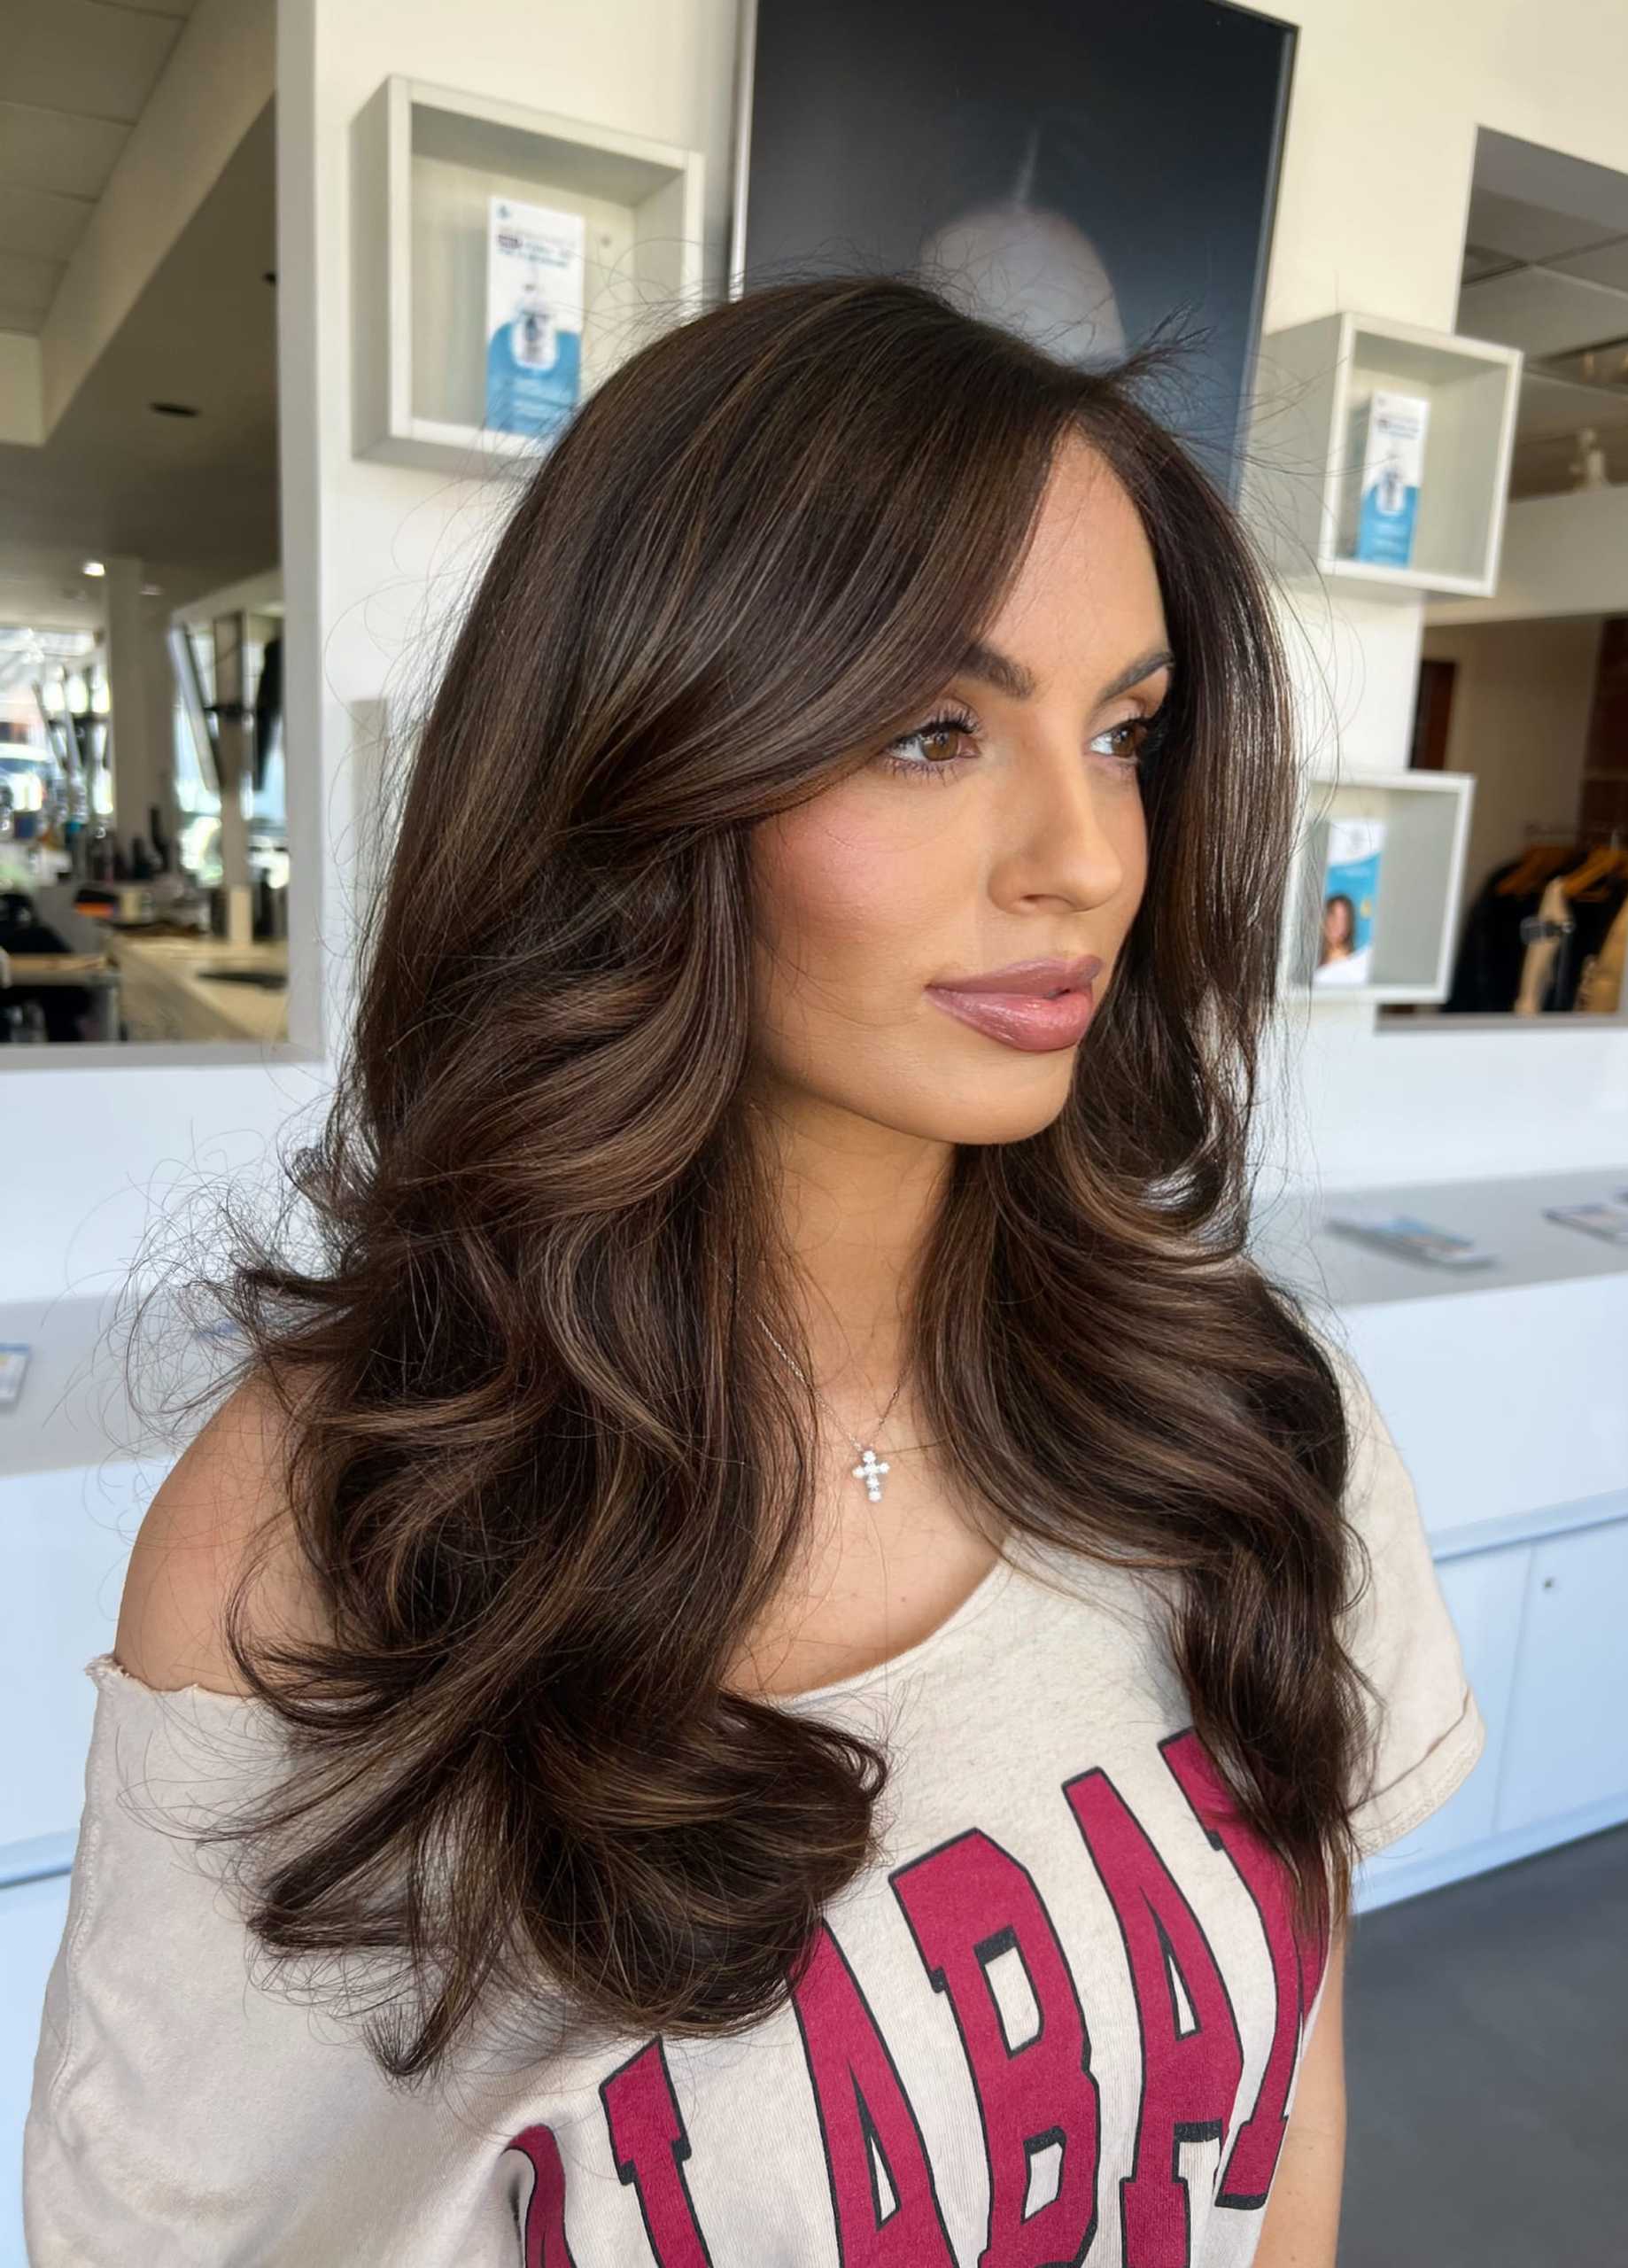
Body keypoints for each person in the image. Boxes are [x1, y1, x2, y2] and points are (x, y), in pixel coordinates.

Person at [24, 274, 1485, 2265]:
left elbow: (1286, 2068)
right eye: (929, 727)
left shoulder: (1237, 1411)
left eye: (1127, 731)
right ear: (647, 766)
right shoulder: (330, 1537)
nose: (1088, 855)